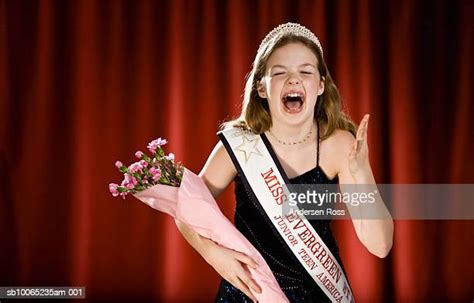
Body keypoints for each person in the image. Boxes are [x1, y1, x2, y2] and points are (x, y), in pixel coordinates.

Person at [175, 22, 393, 302]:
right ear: (261, 88)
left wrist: (361, 172)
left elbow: (381, 245)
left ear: (320, 86)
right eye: (280, 72)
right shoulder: (240, 145)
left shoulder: (339, 145)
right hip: (250, 294)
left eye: (305, 71)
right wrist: (214, 255)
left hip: (319, 293)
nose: (293, 79)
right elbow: (186, 208)